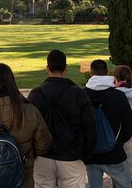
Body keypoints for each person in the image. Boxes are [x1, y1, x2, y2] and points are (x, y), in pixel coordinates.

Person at [28, 50, 97, 188]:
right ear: (66, 68)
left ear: (47, 69)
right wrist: (86, 155)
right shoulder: (78, 93)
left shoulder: (36, 94)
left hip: (43, 156)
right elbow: (90, 126)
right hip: (70, 155)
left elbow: (29, 126)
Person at [84, 59, 132, 188]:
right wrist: (117, 141)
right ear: (107, 72)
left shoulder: (82, 95)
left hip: (91, 153)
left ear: (91, 73)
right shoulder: (118, 96)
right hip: (114, 153)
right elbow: (129, 127)